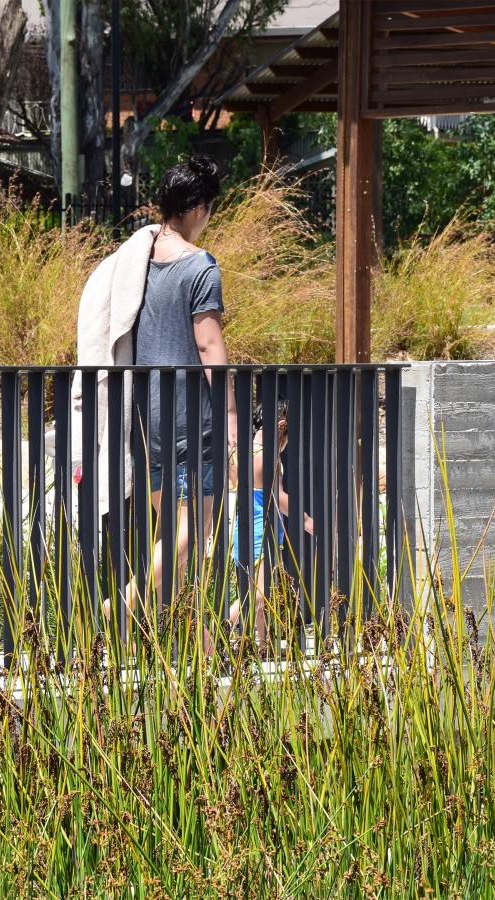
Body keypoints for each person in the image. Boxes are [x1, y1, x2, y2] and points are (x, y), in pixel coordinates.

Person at [127, 156, 238, 617]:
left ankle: (196, 641)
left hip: (144, 412)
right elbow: (209, 346)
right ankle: (121, 612)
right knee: (191, 532)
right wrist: (231, 414)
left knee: (169, 531)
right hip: (192, 415)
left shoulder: (137, 259)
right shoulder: (200, 267)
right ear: (197, 209)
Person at [226, 400, 312, 647]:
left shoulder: (238, 451)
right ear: (281, 426)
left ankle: (264, 644)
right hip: (261, 533)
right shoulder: (267, 456)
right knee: (259, 594)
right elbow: (278, 497)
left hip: (242, 529)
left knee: (257, 591)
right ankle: (220, 626)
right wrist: (306, 520)